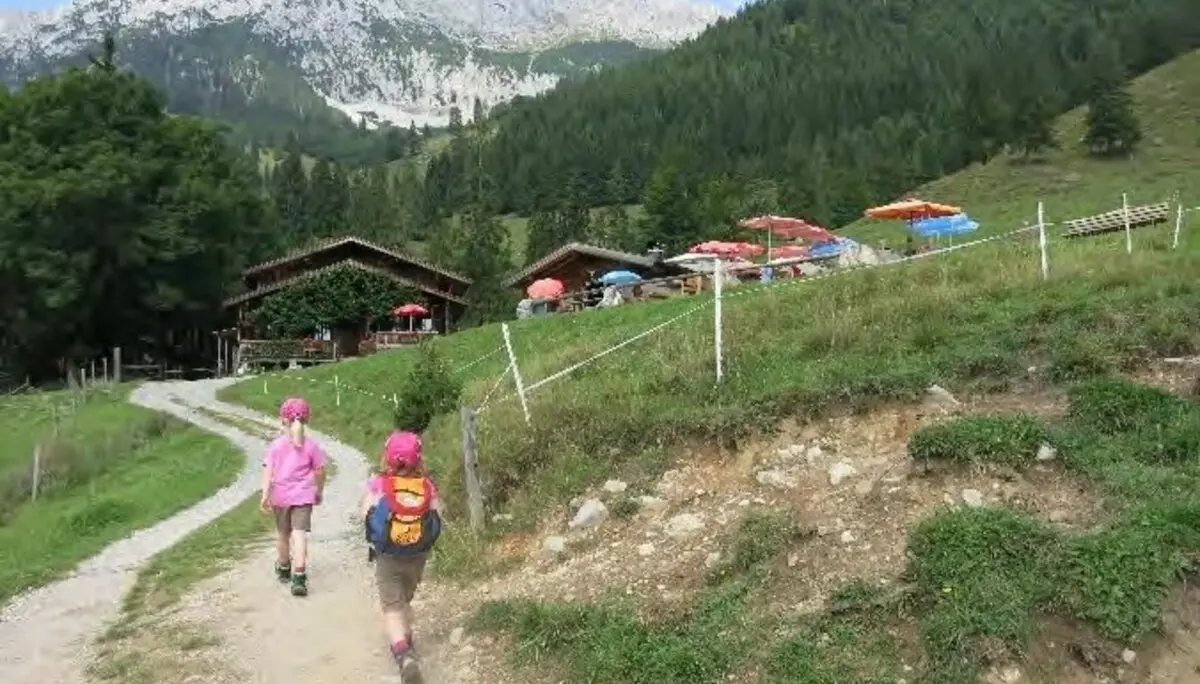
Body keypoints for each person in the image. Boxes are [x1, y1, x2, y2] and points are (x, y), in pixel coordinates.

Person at [361, 431, 443, 679]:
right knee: (405, 598)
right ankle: (407, 637)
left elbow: (365, 512)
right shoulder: (426, 486)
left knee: (392, 606)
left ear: (387, 458)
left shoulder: (380, 484)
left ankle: (403, 653)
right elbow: (438, 516)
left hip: (387, 555)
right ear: (419, 460)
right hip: (417, 555)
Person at [260, 396, 327, 597]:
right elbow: (320, 471)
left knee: (283, 534)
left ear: (283, 419)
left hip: (280, 496)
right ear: (307, 419)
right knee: (299, 535)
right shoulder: (312, 446)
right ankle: (299, 576)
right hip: (304, 497)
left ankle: (283, 567)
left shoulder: (276, 446)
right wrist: (319, 491)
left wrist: (265, 494)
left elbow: (267, 471)